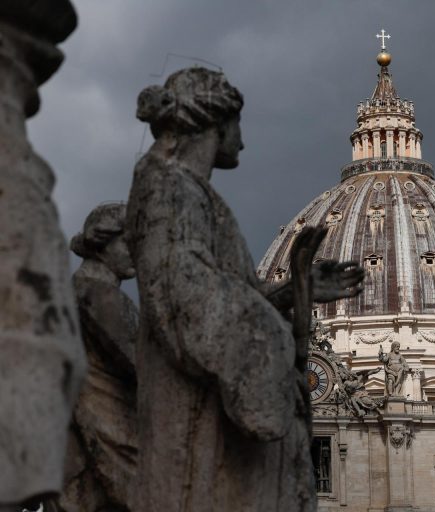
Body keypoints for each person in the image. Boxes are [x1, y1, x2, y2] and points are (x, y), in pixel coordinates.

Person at [126, 67, 361, 511]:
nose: (244, 141)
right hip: (199, 403)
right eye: (237, 126)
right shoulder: (169, 185)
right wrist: (272, 339)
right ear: (213, 122)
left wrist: (294, 289)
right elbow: (187, 298)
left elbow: (217, 292)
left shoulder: (190, 189)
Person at [60, 203, 138, 511]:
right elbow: (143, 367)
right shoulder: (97, 294)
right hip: (109, 438)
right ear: (101, 242)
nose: (136, 250)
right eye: (128, 241)